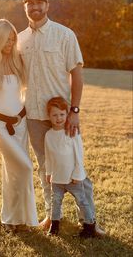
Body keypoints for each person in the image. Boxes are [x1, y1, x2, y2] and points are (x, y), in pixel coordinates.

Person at [17, 0, 105, 236]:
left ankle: (89, 220)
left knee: (76, 169)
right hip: (34, 115)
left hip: (62, 116)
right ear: (25, 7)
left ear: (47, 5)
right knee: (46, 169)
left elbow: (77, 74)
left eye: (40, 3)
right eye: (30, 4)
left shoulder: (64, 35)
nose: (35, 8)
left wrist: (74, 110)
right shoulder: (20, 39)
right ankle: (51, 215)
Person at [0, 19, 38, 232]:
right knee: (25, 166)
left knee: (14, 171)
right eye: (6, 40)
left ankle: (16, 221)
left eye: (13, 39)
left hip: (21, 123)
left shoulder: (17, 59)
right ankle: (17, 218)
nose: (11, 43)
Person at [45, 97, 96, 238]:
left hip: (72, 177)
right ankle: (54, 226)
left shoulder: (71, 131)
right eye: (54, 115)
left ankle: (90, 225)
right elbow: (48, 157)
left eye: (62, 114)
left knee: (82, 201)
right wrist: (49, 173)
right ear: (48, 116)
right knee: (55, 201)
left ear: (67, 114)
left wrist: (77, 175)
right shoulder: (48, 135)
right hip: (57, 178)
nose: (58, 118)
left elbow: (79, 155)